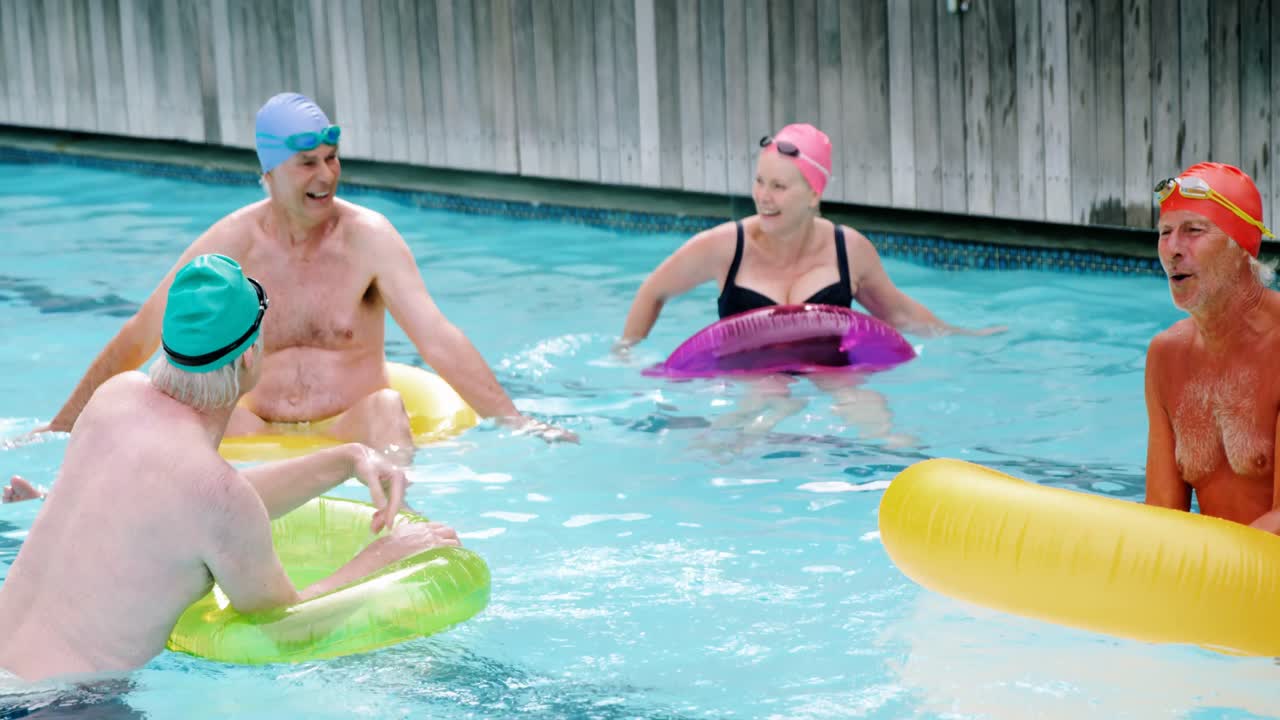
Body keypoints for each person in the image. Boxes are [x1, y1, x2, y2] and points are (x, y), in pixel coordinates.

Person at [20, 92, 575, 459]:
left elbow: (437, 337)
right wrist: (61, 427)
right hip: (253, 435)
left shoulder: (368, 239)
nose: (327, 175)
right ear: (268, 172)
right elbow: (142, 335)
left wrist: (516, 421)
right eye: (308, 163)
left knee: (387, 409)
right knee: (187, 426)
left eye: (332, 158)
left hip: (350, 428)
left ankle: (397, 527)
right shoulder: (232, 243)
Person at [0, 255, 462, 683]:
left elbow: (202, 508)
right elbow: (286, 620)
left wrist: (344, 460)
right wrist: (385, 554)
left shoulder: (114, 399)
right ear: (247, 356)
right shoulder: (214, 495)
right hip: (63, 705)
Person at [617, 123, 1000, 440]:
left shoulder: (847, 248)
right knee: (765, 397)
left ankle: (894, 460)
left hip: (829, 364)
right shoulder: (725, 245)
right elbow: (654, 291)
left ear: (814, 193)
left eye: (779, 187)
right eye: (760, 181)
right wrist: (626, 351)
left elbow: (898, 313)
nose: (763, 197)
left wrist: (963, 337)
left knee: (859, 402)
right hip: (755, 368)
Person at [1142, 162, 1280, 533]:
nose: (1172, 249)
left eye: (1193, 231)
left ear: (1241, 247)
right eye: (1165, 232)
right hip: (1215, 579)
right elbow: (1161, 517)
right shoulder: (1165, 357)